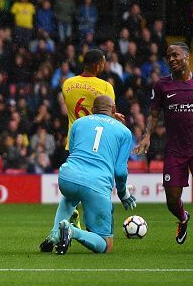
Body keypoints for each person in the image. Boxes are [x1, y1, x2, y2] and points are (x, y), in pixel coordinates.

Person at [133, 42, 193, 254]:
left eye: (175, 55)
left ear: (187, 56)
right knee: (172, 201)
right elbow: (154, 115)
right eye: (168, 57)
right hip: (174, 149)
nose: (171, 59)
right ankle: (183, 217)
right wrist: (146, 137)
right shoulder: (162, 86)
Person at [39, 49, 121, 252]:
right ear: (99, 65)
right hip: (97, 148)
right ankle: (90, 231)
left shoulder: (67, 84)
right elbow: (108, 115)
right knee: (94, 193)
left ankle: (55, 233)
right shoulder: (105, 87)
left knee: (69, 197)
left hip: (74, 146)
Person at [49, 95, 136, 255]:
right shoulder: (124, 132)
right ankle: (71, 231)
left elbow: (73, 152)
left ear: (92, 110)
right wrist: (123, 193)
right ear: (114, 110)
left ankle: (55, 233)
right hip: (97, 184)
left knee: (71, 195)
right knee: (106, 244)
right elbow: (120, 171)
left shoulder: (78, 123)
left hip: (67, 177)